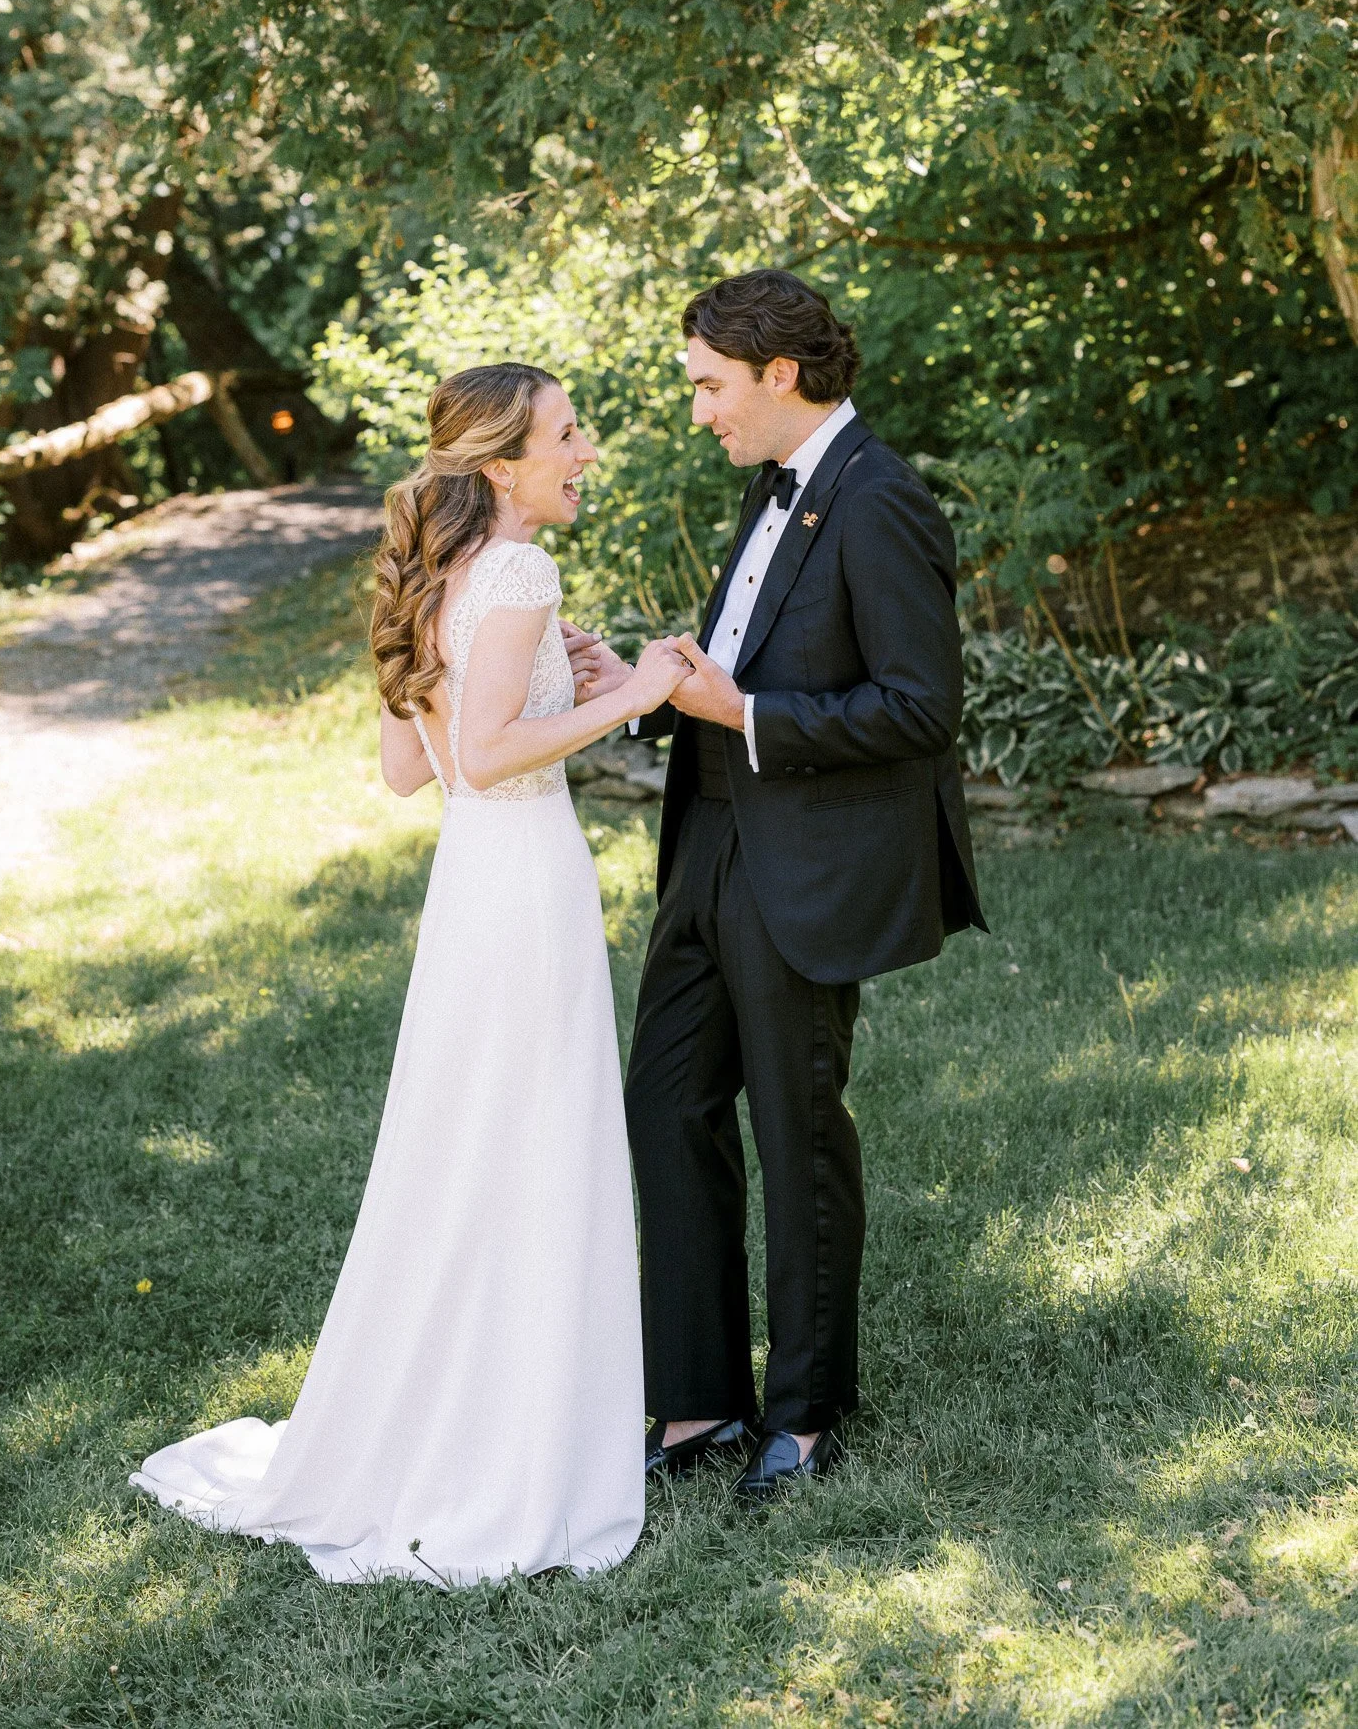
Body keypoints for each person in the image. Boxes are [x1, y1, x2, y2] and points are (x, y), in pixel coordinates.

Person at [131, 363, 691, 1584]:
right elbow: (487, 758)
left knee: (471, 1151)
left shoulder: (440, 575)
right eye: (566, 431)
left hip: (471, 893)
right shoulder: (521, 571)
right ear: (501, 464)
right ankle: (514, 1447)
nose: (583, 449)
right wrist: (638, 693)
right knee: (530, 1146)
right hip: (523, 883)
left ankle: (450, 1417)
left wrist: (566, 673)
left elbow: (412, 769)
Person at [568, 270, 986, 1504]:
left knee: (797, 1132)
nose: (697, 410)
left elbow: (921, 707)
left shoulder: (880, 500)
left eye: (707, 385)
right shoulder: (774, 489)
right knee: (665, 1104)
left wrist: (740, 709)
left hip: (805, 867)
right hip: (708, 850)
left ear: (778, 375)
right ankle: (698, 1399)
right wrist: (644, 687)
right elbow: (747, 662)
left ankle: (804, 1412)